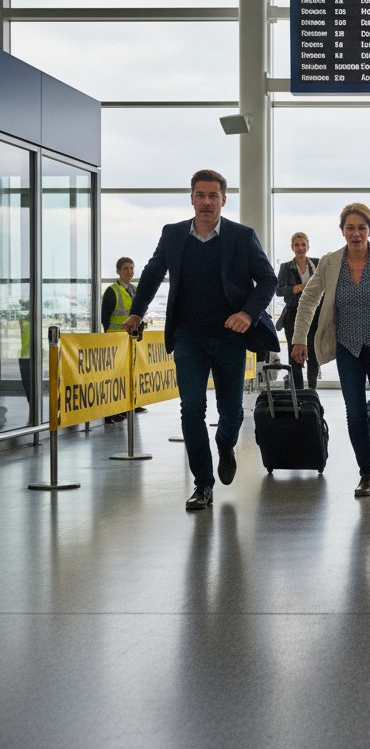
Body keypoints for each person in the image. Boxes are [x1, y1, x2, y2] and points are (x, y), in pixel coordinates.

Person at [123, 169, 279, 512]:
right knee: (191, 408)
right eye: (200, 195)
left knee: (231, 410)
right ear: (191, 198)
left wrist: (248, 314)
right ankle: (203, 485)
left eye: (213, 196)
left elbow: (268, 279)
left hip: (230, 336)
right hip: (188, 335)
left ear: (224, 200)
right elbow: (151, 274)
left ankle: (225, 445)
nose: (206, 202)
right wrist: (136, 311)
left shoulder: (242, 236)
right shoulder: (174, 234)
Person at [291, 203, 370, 499]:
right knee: (355, 412)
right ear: (342, 231)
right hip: (348, 347)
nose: (356, 233)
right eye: (350, 228)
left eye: (361, 228)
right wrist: (299, 338)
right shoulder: (331, 263)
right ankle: (366, 473)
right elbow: (308, 300)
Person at [276, 231, 321, 390]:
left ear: (308, 246)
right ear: (292, 247)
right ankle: (299, 392)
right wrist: (294, 289)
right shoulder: (286, 267)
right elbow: (279, 291)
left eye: (303, 244)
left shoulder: (317, 263)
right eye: (297, 245)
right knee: (294, 354)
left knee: (314, 354)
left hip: (314, 315)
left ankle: (312, 391)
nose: (300, 248)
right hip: (293, 315)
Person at [101, 256, 137, 423]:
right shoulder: (112, 291)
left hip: (129, 342)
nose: (129, 271)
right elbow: (105, 318)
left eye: (131, 268)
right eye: (125, 269)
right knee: (113, 377)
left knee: (126, 376)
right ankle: (110, 412)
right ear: (118, 271)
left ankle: (124, 407)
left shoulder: (134, 290)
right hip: (114, 341)